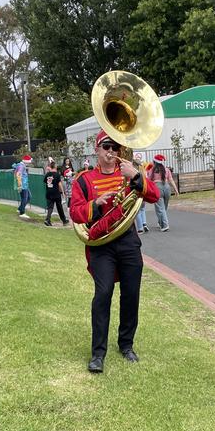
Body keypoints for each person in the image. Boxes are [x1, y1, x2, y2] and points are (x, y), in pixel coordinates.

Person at [70, 130, 160, 373]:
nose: (111, 152)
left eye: (115, 148)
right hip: (101, 245)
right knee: (103, 294)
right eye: (106, 147)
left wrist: (137, 177)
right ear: (97, 150)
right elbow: (75, 213)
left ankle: (126, 345)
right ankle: (98, 353)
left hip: (128, 241)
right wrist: (96, 204)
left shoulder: (129, 173)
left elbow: (154, 195)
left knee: (131, 294)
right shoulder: (84, 179)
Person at [148, 154, 179, 232]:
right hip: (167, 187)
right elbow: (171, 179)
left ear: (154, 162)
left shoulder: (152, 170)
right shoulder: (166, 169)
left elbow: (149, 181)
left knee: (160, 208)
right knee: (164, 207)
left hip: (157, 188)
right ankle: (160, 222)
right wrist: (176, 189)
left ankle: (165, 225)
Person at [43, 161, 69, 226]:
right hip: (56, 193)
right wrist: (63, 192)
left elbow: (45, 182)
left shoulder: (47, 174)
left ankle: (47, 220)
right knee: (59, 207)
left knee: (50, 207)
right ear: (55, 167)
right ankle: (64, 220)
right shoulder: (57, 174)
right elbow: (59, 184)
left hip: (48, 192)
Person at [132, 152, 150, 234]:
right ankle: (144, 224)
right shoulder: (143, 171)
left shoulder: (133, 171)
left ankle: (140, 228)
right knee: (142, 209)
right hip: (143, 190)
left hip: (136, 191)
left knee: (137, 210)